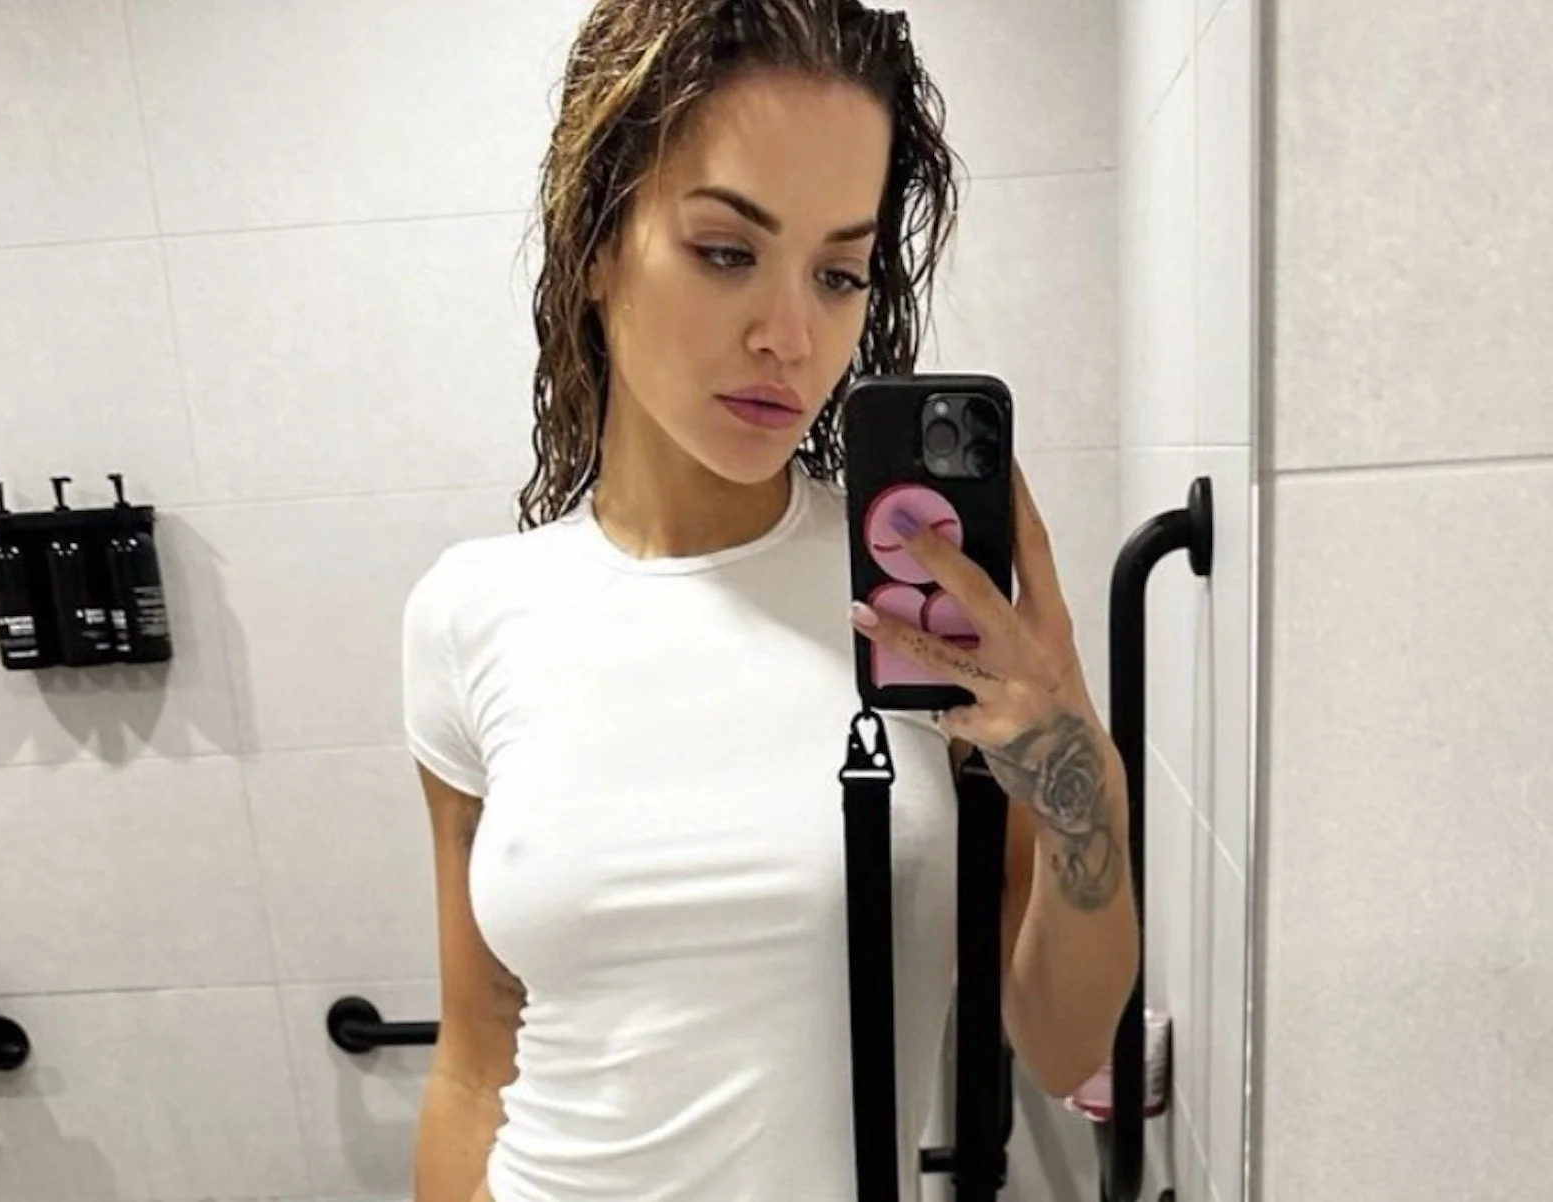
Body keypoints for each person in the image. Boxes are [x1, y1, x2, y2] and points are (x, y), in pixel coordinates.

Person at [402, 2, 1139, 1199]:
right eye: (725, 251)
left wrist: (1076, 769)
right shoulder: (468, 612)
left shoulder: (910, 598)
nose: (792, 336)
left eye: (838, 274)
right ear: (597, 244)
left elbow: (1062, 1044)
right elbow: (474, 1064)